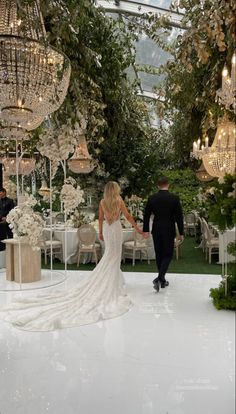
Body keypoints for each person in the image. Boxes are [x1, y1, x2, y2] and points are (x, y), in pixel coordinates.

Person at [1, 181, 143, 331]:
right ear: (115, 190)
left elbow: (101, 219)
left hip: (108, 229)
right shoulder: (119, 200)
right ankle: (112, 282)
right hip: (116, 228)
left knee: (110, 255)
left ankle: (113, 280)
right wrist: (138, 229)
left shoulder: (103, 201)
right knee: (114, 256)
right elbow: (127, 216)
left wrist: (101, 232)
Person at [143, 176, 184, 292]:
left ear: (158, 185)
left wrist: (146, 230)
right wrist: (181, 232)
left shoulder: (152, 198)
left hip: (156, 229)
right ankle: (160, 278)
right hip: (169, 229)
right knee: (168, 254)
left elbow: (146, 215)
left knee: (159, 253)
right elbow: (179, 217)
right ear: (168, 185)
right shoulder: (174, 198)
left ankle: (162, 279)